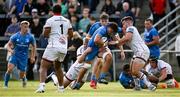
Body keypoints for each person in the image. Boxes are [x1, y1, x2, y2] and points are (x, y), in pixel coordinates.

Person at [35, 4, 73, 93]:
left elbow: (45, 34)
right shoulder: (67, 21)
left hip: (53, 46)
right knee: (58, 67)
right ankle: (61, 88)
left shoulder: (50, 20)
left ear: (52, 11)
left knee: (43, 66)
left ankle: (41, 87)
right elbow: (71, 35)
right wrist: (63, 37)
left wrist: (50, 35)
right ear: (61, 11)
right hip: (63, 48)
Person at [73, 22, 121, 89]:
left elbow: (120, 32)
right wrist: (85, 50)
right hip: (92, 48)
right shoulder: (101, 29)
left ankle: (98, 78)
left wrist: (119, 46)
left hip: (99, 48)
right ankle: (77, 82)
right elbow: (92, 39)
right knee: (85, 65)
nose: (112, 34)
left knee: (104, 59)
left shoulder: (112, 29)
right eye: (112, 32)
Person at [115, 16, 156, 91]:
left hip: (142, 51)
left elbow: (127, 38)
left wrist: (117, 42)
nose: (123, 26)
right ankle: (137, 86)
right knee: (132, 70)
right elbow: (121, 41)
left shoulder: (131, 28)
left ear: (129, 23)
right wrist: (117, 41)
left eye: (124, 24)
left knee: (135, 71)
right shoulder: (127, 32)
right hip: (138, 52)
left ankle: (150, 85)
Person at [4, 20, 36, 88]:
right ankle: (5, 85)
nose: (26, 28)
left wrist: (32, 56)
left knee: (21, 75)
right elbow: (7, 46)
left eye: (27, 27)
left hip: (24, 57)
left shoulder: (30, 37)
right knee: (9, 69)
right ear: (21, 27)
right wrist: (11, 50)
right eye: (25, 27)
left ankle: (24, 79)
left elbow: (34, 46)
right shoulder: (15, 36)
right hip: (15, 55)